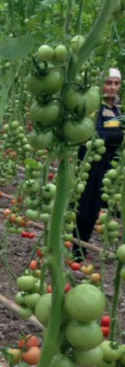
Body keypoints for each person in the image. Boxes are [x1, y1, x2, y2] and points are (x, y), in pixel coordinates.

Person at [73, 68, 123, 259]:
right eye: (108, 83)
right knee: (84, 206)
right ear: (101, 84)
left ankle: (81, 245)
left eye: (116, 84)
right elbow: (94, 133)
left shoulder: (116, 108)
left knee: (95, 207)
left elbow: (111, 129)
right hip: (90, 162)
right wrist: (119, 135)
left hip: (107, 164)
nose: (112, 87)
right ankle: (76, 248)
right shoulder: (94, 106)